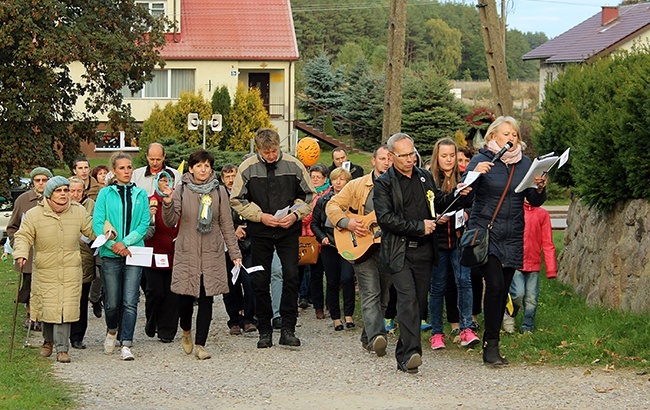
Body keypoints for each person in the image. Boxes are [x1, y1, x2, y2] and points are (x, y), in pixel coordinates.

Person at [374, 133, 469, 374]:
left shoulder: (424, 177)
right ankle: (414, 352)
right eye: (403, 155)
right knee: (407, 301)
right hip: (399, 252)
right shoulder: (384, 183)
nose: (409, 159)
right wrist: (420, 226)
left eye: (412, 153)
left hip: (425, 252)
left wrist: (458, 194)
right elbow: (385, 219)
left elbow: (438, 202)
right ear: (392, 156)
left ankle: (402, 356)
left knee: (418, 301)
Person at [464, 116, 547, 365]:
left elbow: (533, 200)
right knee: (496, 285)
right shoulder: (481, 160)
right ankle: (491, 346)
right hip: (486, 234)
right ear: (493, 137)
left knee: (503, 293)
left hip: (513, 235)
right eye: (506, 134)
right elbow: (465, 197)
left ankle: (493, 341)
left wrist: (540, 187)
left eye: (514, 134)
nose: (511, 138)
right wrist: (473, 175)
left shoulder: (526, 164)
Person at [230, 128, 316, 349]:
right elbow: (237, 199)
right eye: (266, 152)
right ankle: (264, 330)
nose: (271, 155)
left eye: (274, 151)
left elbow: (308, 194)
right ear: (258, 150)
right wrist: (260, 217)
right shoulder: (247, 168)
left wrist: (295, 214)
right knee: (260, 280)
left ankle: (288, 328)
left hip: (288, 229)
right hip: (260, 231)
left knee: (290, 277)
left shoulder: (293, 165)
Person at [161, 149, 242, 360]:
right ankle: (186, 330)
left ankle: (200, 344)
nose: (203, 169)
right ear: (191, 169)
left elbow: (226, 224)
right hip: (187, 250)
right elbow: (171, 222)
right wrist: (168, 203)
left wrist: (235, 253)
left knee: (208, 298)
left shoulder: (220, 192)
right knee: (185, 298)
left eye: (206, 165)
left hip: (212, 251)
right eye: (198, 165)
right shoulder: (180, 190)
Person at [13, 176, 96, 363]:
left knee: (65, 309)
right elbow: (23, 235)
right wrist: (21, 253)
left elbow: (92, 229)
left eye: (66, 190)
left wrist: (107, 232)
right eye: (59, 191)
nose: (64, 195)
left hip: (71, 268)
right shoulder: (35, 214)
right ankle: (47, 341)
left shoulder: (78, 211)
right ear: (50, 194)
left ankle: (62, 349)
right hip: (45, 268)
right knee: (47, 308)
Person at [326, 145, 392, 356]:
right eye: (382, 158)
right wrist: (347, 222)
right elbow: (333, 205)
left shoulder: (399, 186)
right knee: (371, 293)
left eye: (390, 158)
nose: (387, 162)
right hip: (361, 246)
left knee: (384, 297)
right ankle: (377, 338)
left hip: (389, 246)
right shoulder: (357, 185)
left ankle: (368, 336)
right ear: (373, 161)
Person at [93, 152, 150, 361]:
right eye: (122, 168)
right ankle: (111, 329)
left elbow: (144, 223)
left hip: (134, 252)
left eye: (129, 167)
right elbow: (98, 223)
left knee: (130, 300)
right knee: (112, 301)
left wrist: (124, 243)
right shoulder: (105, 194)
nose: (126, 171)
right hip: (110, 253)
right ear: (114, 171)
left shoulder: (141, 194)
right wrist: (113, 244)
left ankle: (126, 343)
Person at [427, 138, 479, 350]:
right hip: (437, 241)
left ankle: (467, 328)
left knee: (464, 282)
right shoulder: (429, 179)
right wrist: (436, 216)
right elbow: (425, 207)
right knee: (437, 286)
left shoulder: (465, 178)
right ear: (437, 157)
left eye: (452, 156)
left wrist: (466, 214)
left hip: (459, 239)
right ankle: (436, 332)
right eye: (444, 156)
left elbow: (475, 205)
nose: (448, 160)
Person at [7, 166, 52, 332]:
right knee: (29, 285)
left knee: (46, 286)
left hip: (48, 250)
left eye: (44, 180)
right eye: (37, 180)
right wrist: (17, 245)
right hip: (29, 251)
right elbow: (13, 226)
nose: (41, 183)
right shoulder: (23, 200)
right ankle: (30, 315)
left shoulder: (55, 198)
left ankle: (43, 316)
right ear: (33, 182)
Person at [311, 167, 355, 331]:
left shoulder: (353, 200)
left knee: (348, 277)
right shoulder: (323, 200)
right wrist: (321, 237)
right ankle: (336, 317)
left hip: (348, 244)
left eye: (342, 179)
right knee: (332, 281)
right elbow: (315, 223)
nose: (338, 182)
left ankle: (349, 314)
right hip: (329, 244)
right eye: (336, 179)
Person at [503, 200, 557, 334]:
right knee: (518, 293)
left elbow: (547, 242)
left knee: (532, 298)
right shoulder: (514, 210)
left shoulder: (542, 214)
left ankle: (528, 327)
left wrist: (551, 269)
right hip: (516, 262)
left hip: (534, 263)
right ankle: (509, 313)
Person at [143, 172, 180, 343]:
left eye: (168, 180)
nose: (165, 184)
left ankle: (167, 330)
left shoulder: (178, 201)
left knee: (173, 294)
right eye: (162, 180)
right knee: (155, 291)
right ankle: (152, 322)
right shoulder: (149, 201)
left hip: (175, 252)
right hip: (154, 253)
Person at [220, 164, 257, 335]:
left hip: (247, 246)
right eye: (227, 176)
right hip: (226, 248)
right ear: (222, 179)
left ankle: (248, 318)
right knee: (230, 285)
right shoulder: (219, 196)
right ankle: (234, 319)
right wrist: (232, 230)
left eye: (233, 176)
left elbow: (255, 215)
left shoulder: (247, 195)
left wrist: (245, 230)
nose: (230, 180)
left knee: (249, 282)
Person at [299, 163, 331, 319]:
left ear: (325, 178)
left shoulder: (331, 194)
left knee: (331, 275)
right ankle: (318, 306)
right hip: (310, 239)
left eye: (319, 177)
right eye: (313, 177)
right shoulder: (306, 194)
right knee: (315, 274)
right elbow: (303, 218)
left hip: (328, 238)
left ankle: (330, 303)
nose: (315, 180)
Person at [68, 177, 96, 350]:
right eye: (72, 190)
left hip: (84, 258)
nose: (75, 194)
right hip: (64, 259)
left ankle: (78, 335)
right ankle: (62, 334)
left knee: (81, 300)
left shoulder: (91, 205)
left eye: (79, 191)